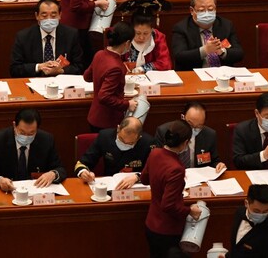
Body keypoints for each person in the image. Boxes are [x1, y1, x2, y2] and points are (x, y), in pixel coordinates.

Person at [140, 120, 202, 258]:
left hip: (151, 223)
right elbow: (168, 205)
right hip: (167, 229)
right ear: (186, 142)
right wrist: (190, 210)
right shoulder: (176, 169)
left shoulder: (155, 153)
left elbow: (144, 179)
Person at [0, 108, 67, 190]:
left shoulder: (46, 140)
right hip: (8, 191)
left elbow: (60, 169)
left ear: (37, 129)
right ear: (14, 125)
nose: (26, 137)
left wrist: (53, 174)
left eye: (31, 133)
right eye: (22, 132)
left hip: (36, 191)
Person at [9, 0, 84, 77]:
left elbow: (79, 67)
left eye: (53, 16)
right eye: (44, 16)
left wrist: (61, 70)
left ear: (60, 15)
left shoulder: (71, 35)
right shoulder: (24, 37)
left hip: (61, 81)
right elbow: (15, 69)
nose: (49, 20)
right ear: (37, 16)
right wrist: (39, 67)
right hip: (36, 80)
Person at [171, 0, 244, 71]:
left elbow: (239, 54)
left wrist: (222, 52)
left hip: (222, 74)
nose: (207, 14)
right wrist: (205, 50)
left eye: (210, 9)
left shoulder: (226, 25)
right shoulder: (181, 28)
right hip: (195, 75)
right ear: (192, 11)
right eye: (201, 10)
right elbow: (179, 56)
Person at [84, 22, 138, 132]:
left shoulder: (99, 54)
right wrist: (127, 104)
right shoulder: (116, 67)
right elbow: (104, 96)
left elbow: (87, 77)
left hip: (94, 116)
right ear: (127, 43)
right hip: (107, 121)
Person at [75, 116, 156, 188]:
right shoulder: (105, 136)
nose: (124, 144)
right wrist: (83, 172)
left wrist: (137, 177)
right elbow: (83, 162)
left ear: (139, 137)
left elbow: (154, 170)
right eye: (121, 139)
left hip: (135, 187)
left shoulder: (148, 143)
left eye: (130, 143)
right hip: (109, 186)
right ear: (118, 128)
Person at [155, 102, 225, 172]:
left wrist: (218, 165)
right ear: (183, 117)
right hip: (171, 175)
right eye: (190, 124)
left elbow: (214, 161)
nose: (193, 130)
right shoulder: (164, 132)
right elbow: (157, 162)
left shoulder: (209, 135)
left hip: (198, 176)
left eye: (199, 126)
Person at [225, 184, 268, 258]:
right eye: (256, 211)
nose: (261, 215)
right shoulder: (239, 213)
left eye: (265, 211)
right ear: (246, 203)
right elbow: (237, 247)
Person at [119, 0, 172, 72]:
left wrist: (143, 68)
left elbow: (165, 64)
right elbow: (114, 60)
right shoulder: (124, 36)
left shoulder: (158, 37)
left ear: (152, 29)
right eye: (138, 33)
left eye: (146, 33)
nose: (141, 37)